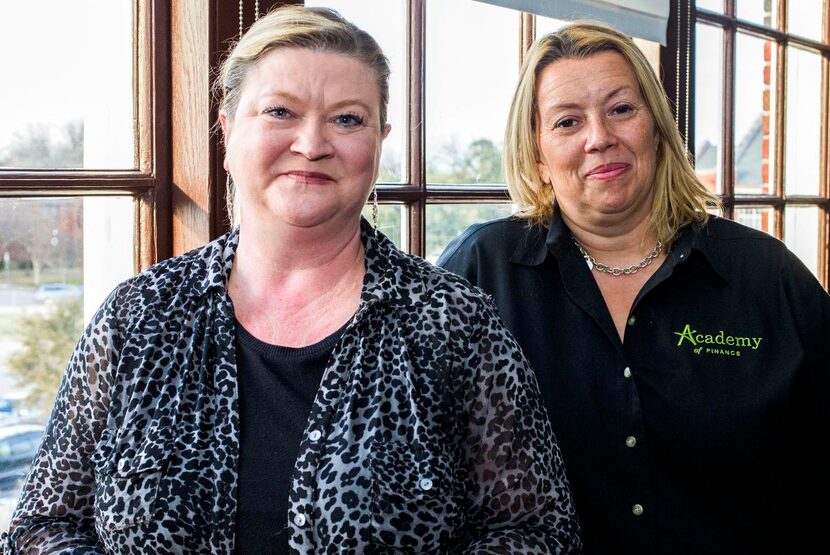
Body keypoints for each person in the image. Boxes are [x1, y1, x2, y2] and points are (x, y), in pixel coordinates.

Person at [4, 7, 581, 554]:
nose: (311, 143)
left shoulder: (455, 323)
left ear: (379, 142)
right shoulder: (139, 317)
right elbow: (41, 524)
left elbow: (537, 531)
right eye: (280, 111)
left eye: (347, 119)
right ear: (228, 131)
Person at [438, 21, 830, 554]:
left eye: (621, 109)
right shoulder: (484, 272)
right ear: (537, 154)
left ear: (657, 128)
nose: (599, 137)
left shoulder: (764, 274)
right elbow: (426, 470)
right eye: (567, 121)